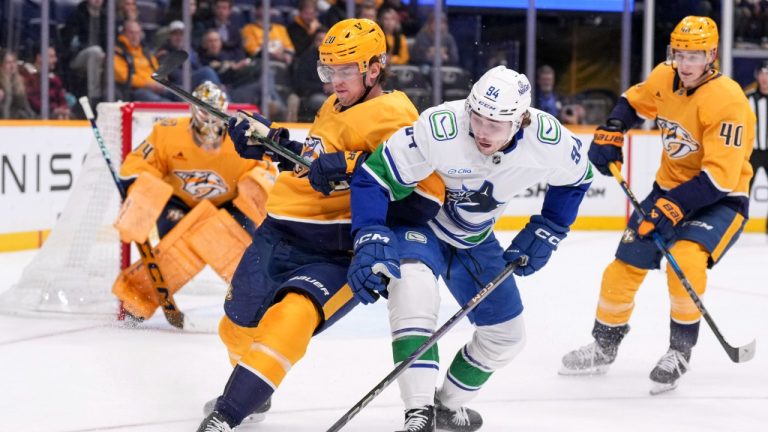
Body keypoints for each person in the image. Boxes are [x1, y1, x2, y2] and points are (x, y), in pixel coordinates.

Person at [196, 18, 443, 431]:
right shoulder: (335, 104)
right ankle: (255, 394)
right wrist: (271, 143)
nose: (334, 80)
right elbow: (316, 162)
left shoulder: (397, 115)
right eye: (328, 70)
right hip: (278, 233)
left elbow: (427, 196)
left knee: (291, 318)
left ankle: (229, 413)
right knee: (235, 326)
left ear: (374, 68)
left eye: (345, 70)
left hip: (335, 248)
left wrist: (351, 167)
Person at [346, 65, 592, 431]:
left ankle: (446, 405)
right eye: (476, 117)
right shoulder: (440, 126)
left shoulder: (549, 139)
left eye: (494, 123)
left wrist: (550, 227)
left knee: (507, 336)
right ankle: (418, 412)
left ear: (521, 119)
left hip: (474, 239)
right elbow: (374, 176)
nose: (480, 130)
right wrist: (368, 234)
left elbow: (578, 178)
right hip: (420, 225)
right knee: (414, 294)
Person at [560, 16, 755, 395]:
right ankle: (604, 346)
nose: (685, 63)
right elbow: (633, 101)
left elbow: (720, 179)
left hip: (721, 201)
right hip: (668, 191)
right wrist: (614, 128)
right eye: (680, 53)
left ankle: (679, 351)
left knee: (685, 262)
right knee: (621, 270)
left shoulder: (729, 101)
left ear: (712, 55)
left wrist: (673, 206)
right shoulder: (665, 77)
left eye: (695, 55)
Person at [111, 82, 277, 322]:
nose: (210, 123)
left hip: (227, 206)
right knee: (176, 252)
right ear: (192, 112)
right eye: (204, 114)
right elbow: (136, 165)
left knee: (246, 258)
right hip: (179, 205)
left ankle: (260, 305)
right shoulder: (167, 132)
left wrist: (256, 183)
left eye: (215, 115)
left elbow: (267, 170)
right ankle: (135, 301)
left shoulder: (242, 140)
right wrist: (140, 192)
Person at [114, 20, 173, 102]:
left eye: (137, 33)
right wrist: (146, 84)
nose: (135, 36)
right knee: (164, 103)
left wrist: (162, 83)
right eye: (131, 33)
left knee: (182, 94)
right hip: (135, 90)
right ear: (123, 33)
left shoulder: (145, 51)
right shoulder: (118, 52)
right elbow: (123, 77)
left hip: (155, 87)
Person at [61, 0, 107, 102]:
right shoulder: (77, 14)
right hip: (77, 57)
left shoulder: (106, 17)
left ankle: (109, 96)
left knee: (111, 56)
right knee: (95, 51)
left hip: (102, 56)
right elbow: (69, 43)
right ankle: (94, 97)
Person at [155, 20, 221, 88]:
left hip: (191, 81)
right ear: (169, 36)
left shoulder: (190, 50)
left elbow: (198, 66)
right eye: (175, 34)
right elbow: (176, 76)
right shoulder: (164, 53)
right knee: (207, 72)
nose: (179, 37)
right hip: (178, 85)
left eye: (181, 34)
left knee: (207, 82)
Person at [21, 46, 73, 120]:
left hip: (55, 114)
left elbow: (61, 99)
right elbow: (32, 100)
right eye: (51, 56)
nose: (55, 60)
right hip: (34, 116)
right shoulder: (27, 75)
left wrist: (64, 109)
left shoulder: (54, 78)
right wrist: (54, 110)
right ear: (39, 58)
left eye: (55, 56)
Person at [747, 60, 768, 233]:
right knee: (743, 191)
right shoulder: (748, 99)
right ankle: (735, 225)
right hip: (752, 152)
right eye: (762, 73)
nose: (765, 78)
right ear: (757, 76)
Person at [0, 49, 35, 119]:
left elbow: (25, 106)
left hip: (18, 121)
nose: (12, 65)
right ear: (1, 65)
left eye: (14, 62)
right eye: (8, 62)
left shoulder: (18, 82)